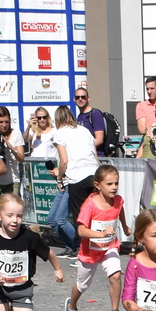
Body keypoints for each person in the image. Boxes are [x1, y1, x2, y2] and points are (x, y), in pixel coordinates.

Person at [67, 164, 128, 311]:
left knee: (115, 275)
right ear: (97, 185)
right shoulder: (90, 205)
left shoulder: (118, 200)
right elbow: (80, 230)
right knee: (82, 285)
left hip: (110, 247)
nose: (114, 187)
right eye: (109, 184)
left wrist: (125, 225)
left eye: (116, 183)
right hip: (90, 252)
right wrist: (100, 234)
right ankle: (72, 307)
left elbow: (119, 209)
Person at [47, 104, 102, 249]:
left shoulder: (60, 133)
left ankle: (83, 250)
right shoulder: (84, 131)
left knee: (81, 217)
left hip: (76, 178)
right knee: (95, 214)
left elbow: (64, 160)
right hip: (93, 174)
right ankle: (99, 246)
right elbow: (95, 157)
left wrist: (60, 177)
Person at [75, 85, 118, 156]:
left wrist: (83, 150)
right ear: (74, 99)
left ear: (88, 98)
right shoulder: (79, 117)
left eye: (83, 97)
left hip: (97, 157)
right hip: (84, 157)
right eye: (77, 97)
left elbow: (99, 139)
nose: (80, 99)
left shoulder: (95, 114)